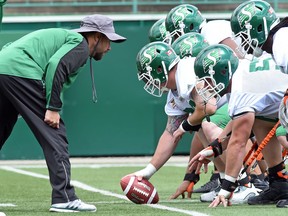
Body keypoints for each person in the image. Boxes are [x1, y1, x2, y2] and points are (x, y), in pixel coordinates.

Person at [0, 14, 126, 212]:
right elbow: (56, 66)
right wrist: (52, 108)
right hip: (21, 71)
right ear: (96, 36)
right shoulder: (80, 44)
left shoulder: (69, 40)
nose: (110, 47)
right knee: (55, 136)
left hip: (5, 69)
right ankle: (64, 197)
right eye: (108, 39)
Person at [188, 44, 288, 208]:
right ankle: (280, 183)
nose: (206, 86)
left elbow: (239, 141)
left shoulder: (241, 88)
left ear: (222, 72)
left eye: (208, 80)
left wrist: (227, 187)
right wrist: (215, 148)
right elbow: (237, 125)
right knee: (261, 119)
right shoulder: (243, 72)